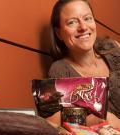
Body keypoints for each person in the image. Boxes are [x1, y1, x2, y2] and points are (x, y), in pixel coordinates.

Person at [46, 0, 120, 129]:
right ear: (59, 33)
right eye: (72, 22)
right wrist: (93, 119)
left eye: (87, 18)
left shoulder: (113, 49)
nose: (83, 27)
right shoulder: (60, 70)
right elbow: (54, 120)